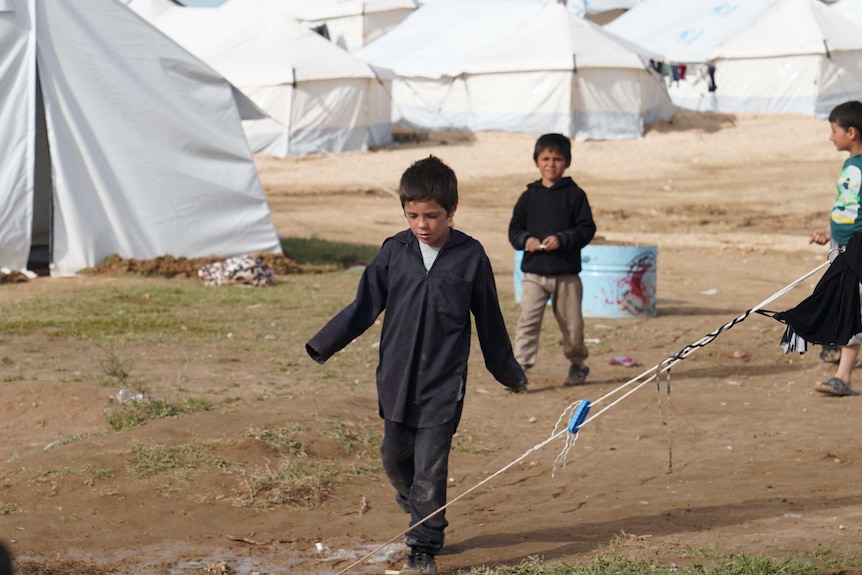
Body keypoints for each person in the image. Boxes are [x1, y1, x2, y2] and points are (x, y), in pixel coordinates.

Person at [306, 156, 528, 575]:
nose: (422, 225)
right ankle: (421, 507)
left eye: (432, 216)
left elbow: (490, 319)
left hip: (444, 384)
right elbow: (363, 306)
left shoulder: (471, 256)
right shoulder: (395, 251)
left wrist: (508, 371)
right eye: (413, 216)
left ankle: (423, 546)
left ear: (452, 211)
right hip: (396, 379)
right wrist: (324, 343)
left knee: (430, 465)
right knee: (394, 458)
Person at [508, 133, 596, 386]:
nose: (551, 164)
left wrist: (564, 239)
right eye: (545, 158)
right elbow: (514, 230)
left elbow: (586, 228)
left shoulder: (575, 195)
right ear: (536, 161)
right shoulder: (528, 196)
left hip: (566, 275)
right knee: (528, 321)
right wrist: (526, 240)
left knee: (573, 327)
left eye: (557, 159)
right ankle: (519, 370)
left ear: (567, 162)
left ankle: (577, 364)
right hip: (534, 274)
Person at [809, 100, 862, 396]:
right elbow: (849, 206)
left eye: (834, 130)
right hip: (840, 244)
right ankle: (837, 349)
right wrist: (829, 231)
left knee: (852, 305)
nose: (831, 137)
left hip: (856, 248)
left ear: (851, 132)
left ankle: (843, 377)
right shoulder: (850, 165)